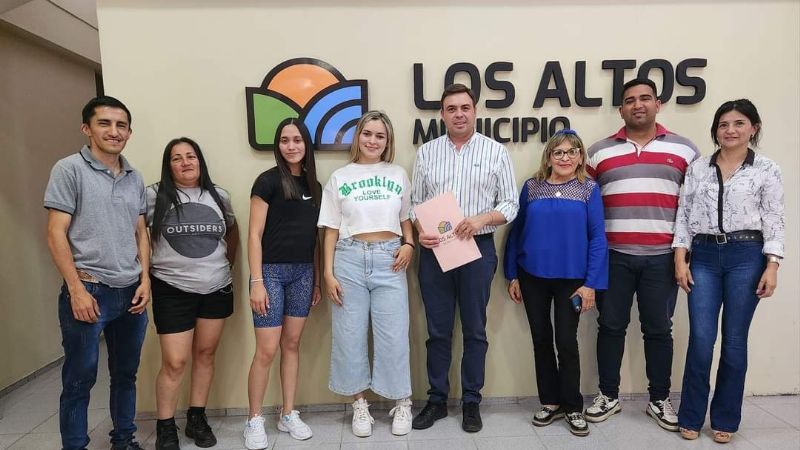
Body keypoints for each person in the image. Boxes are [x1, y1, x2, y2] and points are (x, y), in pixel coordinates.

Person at [584, 78, 699, 431]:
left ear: (658, 104)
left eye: (645, 98)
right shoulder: (598, 152)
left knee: (658, 330)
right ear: (621, 109)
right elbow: (586, 204)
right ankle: (608, 395)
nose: (638, 105)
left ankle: (659, 399)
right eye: (630, 100)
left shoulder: (684, 150)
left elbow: (693, 208)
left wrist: (683, 254)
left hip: (662, 258)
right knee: (610, 326)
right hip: (614, 256)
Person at [673, 99, 784, 444]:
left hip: (746, 256)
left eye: (738, 123)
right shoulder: (698, 168)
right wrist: (680, 258)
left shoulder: (766, 169)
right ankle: (690, 415)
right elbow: (684, 213)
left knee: (734, 342)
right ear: (716, 130)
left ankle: (725, 418)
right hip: (703, 255)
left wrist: (772, 265)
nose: (730, 130)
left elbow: (775, 220)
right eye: (723, 124)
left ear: (753, 128)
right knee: (701, 340)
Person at [410, 83, 518, 433]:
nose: (458, 114)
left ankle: (471, 401)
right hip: (435, 251)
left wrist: (482, 219)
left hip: (478, 249)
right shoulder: (427, 152)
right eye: (451, 108)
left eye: (465, 108)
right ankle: (437, 400)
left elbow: (510, 203)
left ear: (475, 111)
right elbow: (414, 203)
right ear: (442, 114)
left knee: (475, 329)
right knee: (437, 331)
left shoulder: (495, 151)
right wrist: (419, 226)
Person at [44, 96, 149, 450]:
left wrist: (145, 280)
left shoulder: (135, 177)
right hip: (91, 291)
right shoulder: (69, 169)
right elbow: (55, 231)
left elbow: (140, 232)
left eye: (121, 125)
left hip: (131, 291)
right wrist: (75, 289)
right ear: (87, 128)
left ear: (129, 132)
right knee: (79, 379)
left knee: (125, 375)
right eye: (104, 123)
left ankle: (124, 440)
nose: (113, 131)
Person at [504, 129, 608, 436]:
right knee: (541, 339)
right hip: (532, 276)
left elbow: (598, 238)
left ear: (580, 157)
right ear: (549, 157)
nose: (565, 157)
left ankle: (573, 405)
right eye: (558, 152)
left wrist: (591, 283)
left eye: (572, 152)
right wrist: (511, 274)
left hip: (572, 281)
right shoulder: (532, 187)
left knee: (566, 341)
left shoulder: (589, 189)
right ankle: (550, 401)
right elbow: (516, 232)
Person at [318, 110, 415, 438]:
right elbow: (330, 230)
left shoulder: (399, 174)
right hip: (348, 261)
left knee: (394, 334)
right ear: (358, 136)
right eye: (368, 134)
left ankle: (402, 400)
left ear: (388, 142)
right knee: (350, 334)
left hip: (390, 260)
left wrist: (410, 244)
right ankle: (360, 404)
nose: (373, 141)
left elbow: (406, 219)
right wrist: (327, 274)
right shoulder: (340, 177)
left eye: (380, 136)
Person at [147, 137, 238, 450]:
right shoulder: (153, 196)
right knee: (174, 362)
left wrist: (228, 265)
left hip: (216, 287)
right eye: (177, 158)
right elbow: (138, 237)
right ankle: (165, 426)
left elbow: (233, 232)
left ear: (200, 161)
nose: (185, 163)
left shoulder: (219, 196)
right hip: (171, 288)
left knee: (205, 354)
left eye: (191, 156)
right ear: (168, 164)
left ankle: (196, 418)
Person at [243, 119, 322, 449]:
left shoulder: (315, 186)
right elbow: (254, 234)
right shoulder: (267, 181)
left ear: (306, 144)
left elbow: (316, 239)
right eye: (285, 140)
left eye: (297, 140)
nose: (291, 146)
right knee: (267, 349)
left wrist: (316, 278)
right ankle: (254, 419)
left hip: (303, 274)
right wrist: (257, 281)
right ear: (278, 146)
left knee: (291, 345)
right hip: (270, 274)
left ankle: (288, 413)